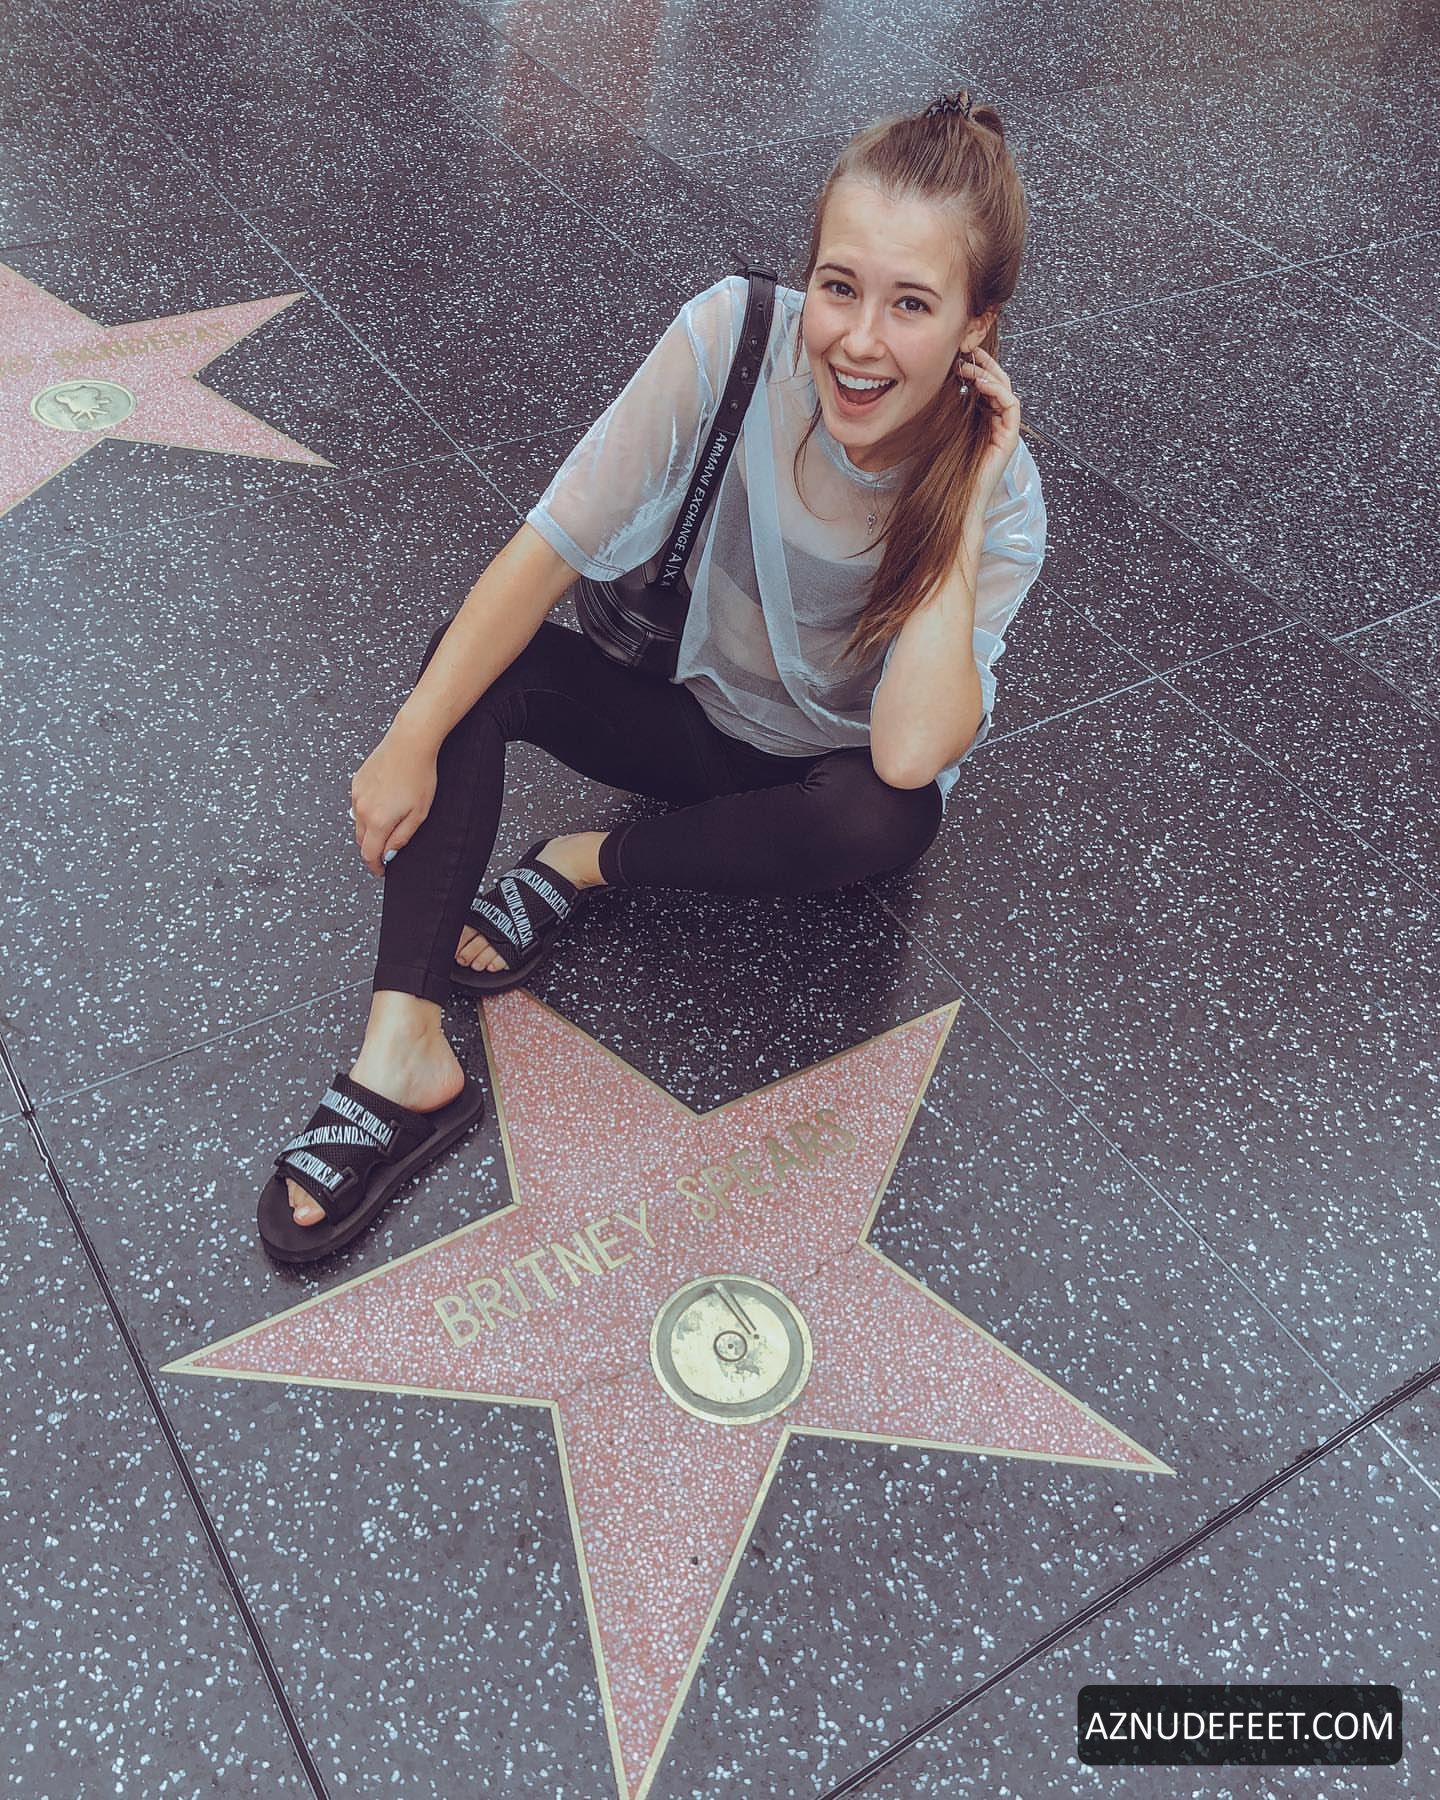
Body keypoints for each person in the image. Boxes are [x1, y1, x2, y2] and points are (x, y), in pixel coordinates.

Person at [256, 88, 1047, 1264]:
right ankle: (400, 1051)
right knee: (470, 670)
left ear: (979, 325)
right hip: (685, 716)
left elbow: (911, 750)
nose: (859, 341)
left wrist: (967, 498)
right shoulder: (734, 338)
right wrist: (411, 735)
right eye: (840, 286)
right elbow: (552, 542)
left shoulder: (1007, 503)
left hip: (816, 786)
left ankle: (588, 861)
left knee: (890, 815)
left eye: (913, 305)